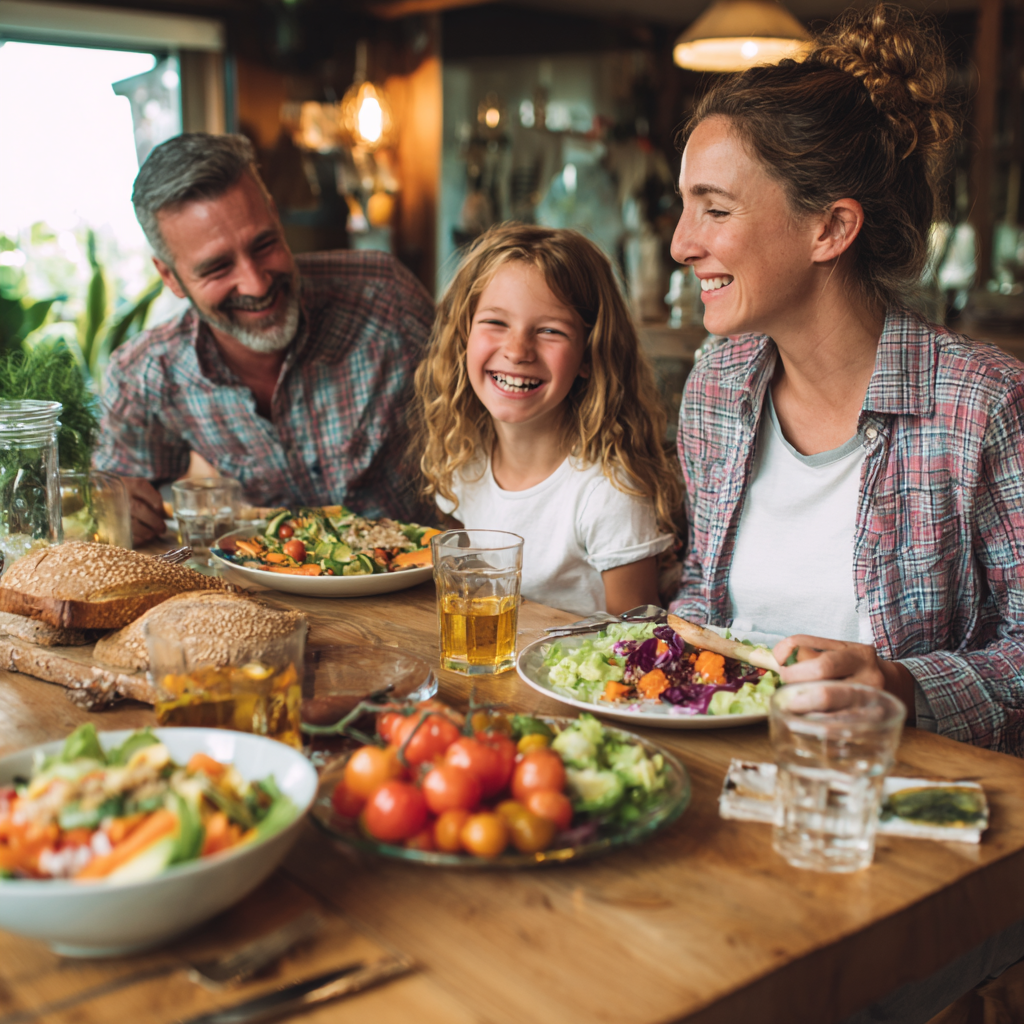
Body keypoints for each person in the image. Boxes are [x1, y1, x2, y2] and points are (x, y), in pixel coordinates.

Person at [670, 3, 1024, 755]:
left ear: (829, 228)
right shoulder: (715, 390)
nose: (680, 244)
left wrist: (901, 686)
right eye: (683, 209)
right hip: (731, 779)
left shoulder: (984, 405)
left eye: (715, 209)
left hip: (903, 804)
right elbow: (701, 599)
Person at [94, 133, 433, 544]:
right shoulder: (146, 372)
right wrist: (119, 508)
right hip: (271, 589)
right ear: (170, 276)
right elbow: (115, 496)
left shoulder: (384, 298)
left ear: (274, 214)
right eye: (217, 268)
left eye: (265, 244)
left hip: (418, 584)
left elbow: (490, 428)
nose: (255, 285)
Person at [412, 223, 680, 616]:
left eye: (550, 330)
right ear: (463, 336)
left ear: (590, 355)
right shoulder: (462, 458)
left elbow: (636, 636)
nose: (518, 350)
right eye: (496, 323)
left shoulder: (608, 493)